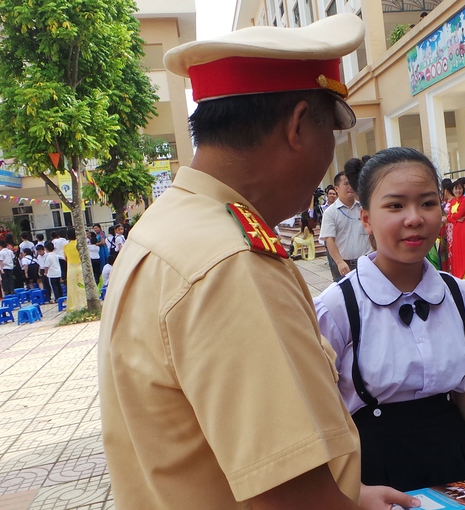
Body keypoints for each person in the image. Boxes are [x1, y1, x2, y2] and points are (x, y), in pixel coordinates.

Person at [98, 14, 417, 510]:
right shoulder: (231, 265)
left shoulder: (166, 228)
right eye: (330, 129)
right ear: (296, 126)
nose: (330, 157)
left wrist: (349, 497)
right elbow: (287, 495)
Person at [314, 147, 465, 493]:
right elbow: (314, 417)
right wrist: (351, 493)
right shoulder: (337, 307)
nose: (414, 218)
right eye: (395, 205)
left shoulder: (463, 297)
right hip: (373, 478)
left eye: (428, 203)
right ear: (366, 218)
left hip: (455, 466)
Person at [320, 164, 372, 281]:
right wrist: (339, 262)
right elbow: (329, 240)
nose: (350, 186)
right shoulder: (331, 212)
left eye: (352, 183)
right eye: (346, 183)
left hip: (367, 262)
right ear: (336, 188)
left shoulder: (364, 208)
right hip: (345, 265)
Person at [63, 229, 87, 311]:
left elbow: (65, 258)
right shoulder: (80, 244)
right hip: (81, 266)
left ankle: (73, 306)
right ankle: (84, 304)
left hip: (71, 268)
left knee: (72, 287)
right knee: (82, 286)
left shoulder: (65, 246)